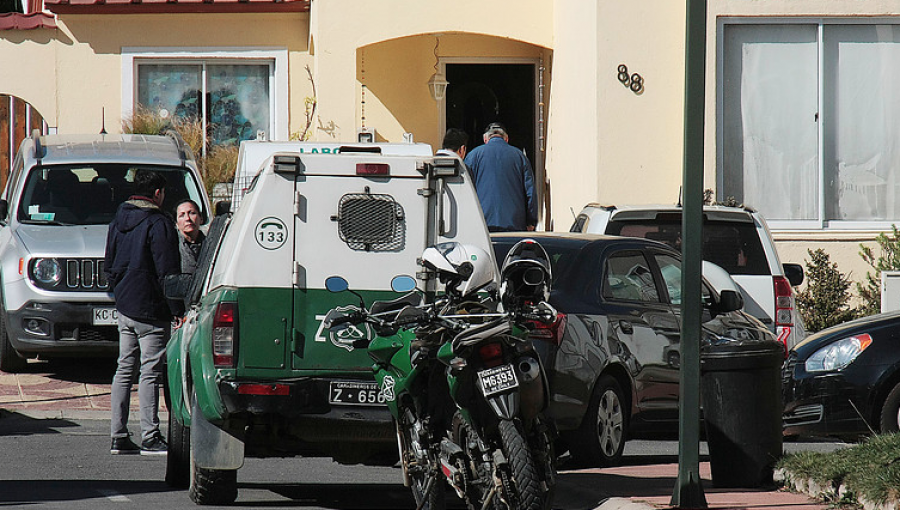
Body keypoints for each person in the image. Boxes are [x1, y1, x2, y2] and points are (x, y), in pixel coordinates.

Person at [104, 169, 184, 456]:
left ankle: (118, 435)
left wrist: (119, 291)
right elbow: (167, 272)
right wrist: (177, 308)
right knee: (150, 371)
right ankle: (150, 436)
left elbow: (109, 261)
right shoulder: (159, 223)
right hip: (150, 308)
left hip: (125, 304)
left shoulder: (119, 217)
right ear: (158, 193)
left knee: (124, 368)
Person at [463, 122, 538, 232]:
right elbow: (530, 192)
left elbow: (464, 192)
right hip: (514, 227)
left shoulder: (473, 156)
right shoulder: (520, 157)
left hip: (482, 227)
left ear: (485, 139)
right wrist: (531, 221)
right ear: (506, 139)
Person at [175, 199, 205, 275]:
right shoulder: (172, 246)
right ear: (176, 224)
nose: (187, 218)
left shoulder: (212, 244)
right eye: (182, 215)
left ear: (201, 218)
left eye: (192, 213)